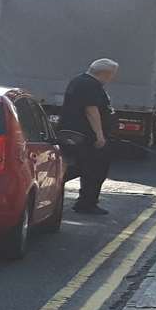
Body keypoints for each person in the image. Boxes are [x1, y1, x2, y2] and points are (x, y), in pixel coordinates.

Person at [60, 58, 118, 215]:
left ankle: (84, 201)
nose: (112, 78)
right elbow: (91, 111)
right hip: (86, 136)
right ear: (105, 73)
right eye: (112, 74)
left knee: (81, 167)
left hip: (78, 135)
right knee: (95, 169)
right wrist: (100, 135)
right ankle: (86, 203)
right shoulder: (90, 85)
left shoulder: (79, 81)